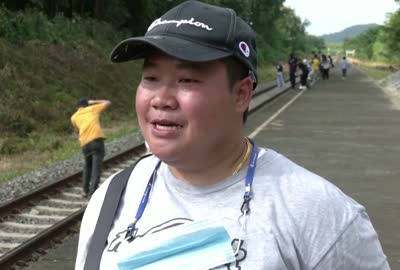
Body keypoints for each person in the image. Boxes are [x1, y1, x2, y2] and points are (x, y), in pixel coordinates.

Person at [75, 1, 389, 269]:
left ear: (241, 94)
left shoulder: (319, 215)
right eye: (151, 77)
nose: (161, 98)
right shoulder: (112, 198)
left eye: (186, 80)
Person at [71, 97, 111, 198]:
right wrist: (93, 102)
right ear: (87, 104)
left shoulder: (74, 117)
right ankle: (92, 194)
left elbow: (77, 129)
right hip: (96, 141)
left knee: (88, 166)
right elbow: (107, 102)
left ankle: (85, 190)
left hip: (84, 143)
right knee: (96, 168)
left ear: (78, 107)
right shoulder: (92, 109)